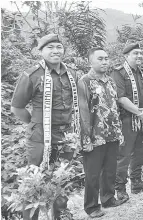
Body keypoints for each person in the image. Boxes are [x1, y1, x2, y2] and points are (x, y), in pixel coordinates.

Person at [11, 34, 78, 220]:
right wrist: (35, 124)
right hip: (40, 135)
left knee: (62, 175)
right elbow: (17, 107)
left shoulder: (71, 73)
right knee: (34, 179)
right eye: (50, 47)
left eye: (59, 47)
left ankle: (60, 214)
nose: (56, 51)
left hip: (66, 135)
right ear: (40, 51)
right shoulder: (32, 75)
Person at [78, 47, 128, 218]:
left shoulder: (110, 81)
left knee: (110, 169)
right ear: (90, 61)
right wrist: (86, 138)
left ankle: (108, 198)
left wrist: (119, 132)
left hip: (112, 134)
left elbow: (115, 108)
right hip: (94, 136)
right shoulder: (84, 81)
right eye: (100, 58)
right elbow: (82, 112)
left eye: (106, 58)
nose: (105, 61)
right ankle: (91, 207)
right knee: (92, 173)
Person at [111, 43, 143, 200]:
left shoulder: (142, 73)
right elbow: (121, 98)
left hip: (142, 118)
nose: (139, 56)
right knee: (124, 154)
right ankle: (120, 188)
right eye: (135, 53)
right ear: (126, 56)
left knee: (140, 152)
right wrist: (139, 112)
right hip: (127, 120)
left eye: (141, 53)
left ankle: (136, 182)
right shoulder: (119, 73)